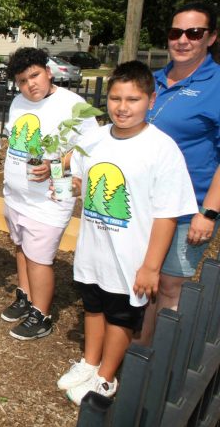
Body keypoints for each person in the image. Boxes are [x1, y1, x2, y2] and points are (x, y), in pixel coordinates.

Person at [60, 61, 196, 405]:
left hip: (130, 253)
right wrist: (66, 184)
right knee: (93, 305)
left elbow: (166, 215)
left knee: (121, 314)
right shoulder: (94, 139)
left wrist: (151, 266)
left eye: (133, 99)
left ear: (151, 101)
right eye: (116, 98)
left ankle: (106, 377)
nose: (123, 107)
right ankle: (90, 363)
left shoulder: (161, 149)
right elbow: (78, 177)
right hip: (93, 247)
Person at [0, 48, 99, 340]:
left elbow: (89, 148)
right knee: (21, 247)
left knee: (39, 257)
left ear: (48, 71)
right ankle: (26, 296)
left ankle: (41, 315)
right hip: (17, 194)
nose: (30, 84)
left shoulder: (72, 105)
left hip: (49, 197)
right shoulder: (19, 102)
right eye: (22, 80)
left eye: (35, 75)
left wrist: (56, 163)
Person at [136, 1, 220, 345]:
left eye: (194, 33)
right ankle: (140, 342)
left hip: (189, 207)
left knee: (170, 284)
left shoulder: (216, 85)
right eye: (175, 32)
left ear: (211, 38)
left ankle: (153, 358)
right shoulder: (151, 80)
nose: (183, 40)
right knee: (145, 276)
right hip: (145, 202)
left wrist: (209, 212)